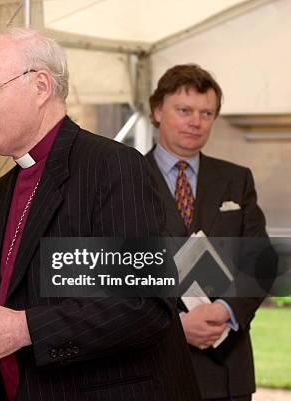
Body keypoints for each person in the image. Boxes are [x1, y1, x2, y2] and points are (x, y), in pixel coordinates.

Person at [0, 28, 201, 401]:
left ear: (40, 86)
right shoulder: (6, 188)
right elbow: (24, 307)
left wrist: (22, 328)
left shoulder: (111, 166)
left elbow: (143, 305)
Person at [145, 64, 267, 401]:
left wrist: (224, 310)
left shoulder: (237, 180)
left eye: (206, 113)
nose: (195, 121)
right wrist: (172, 329)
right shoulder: (126, 178)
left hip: (227, 370)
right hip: (154, 370)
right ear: (157, 111)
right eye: (184, 110)